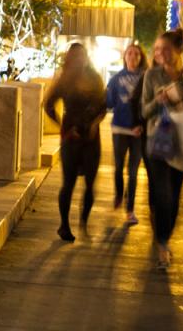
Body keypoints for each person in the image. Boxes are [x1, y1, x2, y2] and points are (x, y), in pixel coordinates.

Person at [141, 29, 183, 270]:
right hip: (157, 141)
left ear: (179, 50)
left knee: (174, 196)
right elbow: (144, 111)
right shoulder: (152, 76)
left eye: (165, 49)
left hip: (182, 142)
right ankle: (163, 245)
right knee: (163, 193)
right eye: (157, 49)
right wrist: (158, 101)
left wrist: (182, 96)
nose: (160, 54)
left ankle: (163, 234)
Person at [44, 43, 107, 242]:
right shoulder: (64, 79)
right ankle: (64, 225)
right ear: (71, 58)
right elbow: (48, 105)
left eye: (83, 56)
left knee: (90, 184)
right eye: (77, 56)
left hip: (91, 136)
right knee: (68, 183)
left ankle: (84, 223)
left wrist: (96, 123)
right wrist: (63, 126)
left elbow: (103, 106)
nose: (81, 59)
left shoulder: (95, 78)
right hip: (71, 136)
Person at [106, 42, 147, 226]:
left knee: (133, 172)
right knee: (118, 167)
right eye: (129, 53)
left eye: (136, 54)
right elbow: (109, 102)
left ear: (140, 57)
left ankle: (130, 210)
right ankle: (118, 193)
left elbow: (149, 104)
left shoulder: (146, 78)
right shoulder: (116, 79)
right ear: (124, 57)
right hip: (119, 129)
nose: (132, 57)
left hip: (138, 132)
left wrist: (142, 124)